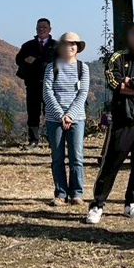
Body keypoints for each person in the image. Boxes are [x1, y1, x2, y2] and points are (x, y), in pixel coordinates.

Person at [86, 20, 134, 225]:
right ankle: (97, 204)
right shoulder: (117, 58)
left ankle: (132, 203)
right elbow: (115, 84)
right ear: (129, 35)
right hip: (122, 119)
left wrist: (131, 83)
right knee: (112, 162)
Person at [44, 32, 89, 206]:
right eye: (66, 44)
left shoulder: (82, 68)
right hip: (54, 118)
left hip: (77, 118)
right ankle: (61, 193)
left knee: (77, 157)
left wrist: (70, 115)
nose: (70, 47)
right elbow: (47, 93)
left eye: (74, 44)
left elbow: (82, 93)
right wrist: (61, 115)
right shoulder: (51, 67)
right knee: (57, 157)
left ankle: (77, 193)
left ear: (78, 48)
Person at [16, 18, 56, 146]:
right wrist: (27, 62)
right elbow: (18, 60)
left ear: (50, 29)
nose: (41, 29)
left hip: (51, 84)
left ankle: (53, 138)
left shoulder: (57, 46)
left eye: (44, 27)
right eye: (39, 27)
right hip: (32, 83)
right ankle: (33, 139)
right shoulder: (28, 45)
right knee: (33, 111)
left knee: (51, 111)